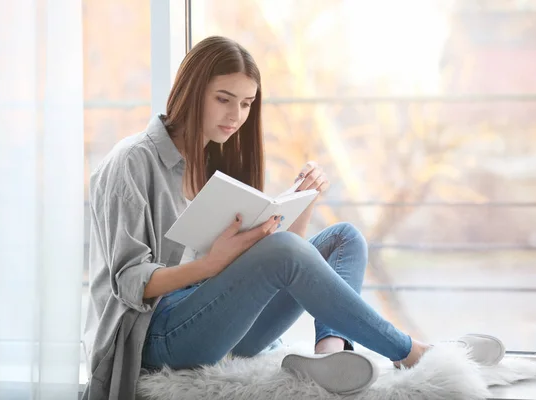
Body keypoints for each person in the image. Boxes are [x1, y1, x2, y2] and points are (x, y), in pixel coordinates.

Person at [82, 36, 506, 400]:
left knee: (344, 238)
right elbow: (130, 281)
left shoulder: (213, 161)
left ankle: (330, 355)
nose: (236, 116)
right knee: (285, 249)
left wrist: (301, 205)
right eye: (223, 99)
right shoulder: (132, 163)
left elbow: (282, 261)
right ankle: (415, 353)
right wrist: (213, 263)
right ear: (191, 91)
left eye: (247, 104)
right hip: (157, 339)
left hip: (219, 325)